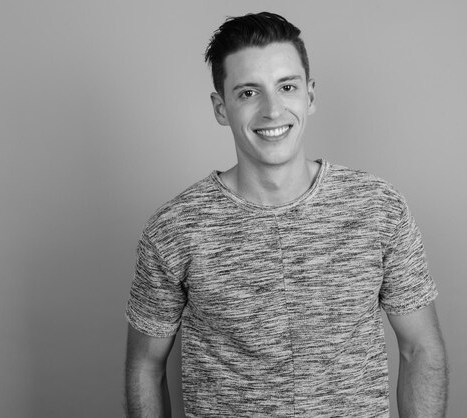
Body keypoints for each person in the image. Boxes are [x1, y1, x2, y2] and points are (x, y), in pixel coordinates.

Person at [124, 11, 448, 417]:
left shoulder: (379, 209)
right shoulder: (173, 229)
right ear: (221, 107)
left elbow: (420, 349)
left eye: (287, 86)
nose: (272, 111)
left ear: (309, 96)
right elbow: (146, 366)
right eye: (248, 93)